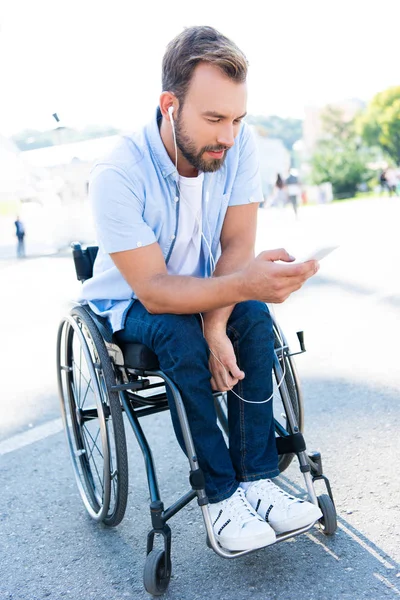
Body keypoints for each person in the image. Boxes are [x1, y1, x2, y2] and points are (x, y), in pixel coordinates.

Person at [79, 26, 322, 552]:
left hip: (210, 288)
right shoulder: (117, 173)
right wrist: (210, 324)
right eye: (214, 119)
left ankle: (258, 479)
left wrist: (219, 323)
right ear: (170, 105)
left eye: (237, 119)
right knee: (175, 332)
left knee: (253, 315)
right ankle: (220, 497)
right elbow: (157, 292)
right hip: (135, 302)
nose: (228, 136)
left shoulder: (238, 145)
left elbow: (236, 248)